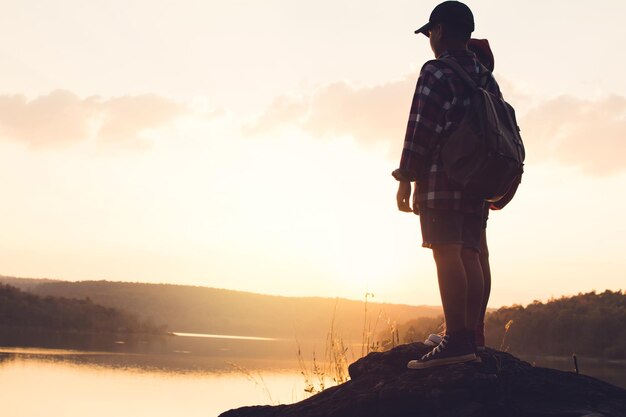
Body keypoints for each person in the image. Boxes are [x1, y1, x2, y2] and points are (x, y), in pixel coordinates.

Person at [391, 1, 503, 369]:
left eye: (429, 33)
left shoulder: (437, 71)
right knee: (471, 252)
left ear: (438, 30)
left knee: (446, 251)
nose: (429, 40)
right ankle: (468, 335)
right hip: (477, 180)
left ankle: (456, 341)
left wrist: (406, 176)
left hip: (442, 179)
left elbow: (421, 127)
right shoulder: (486, 76)